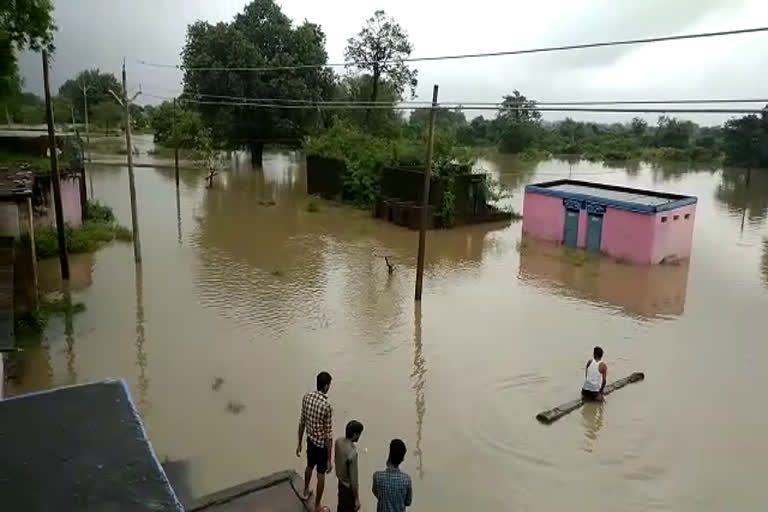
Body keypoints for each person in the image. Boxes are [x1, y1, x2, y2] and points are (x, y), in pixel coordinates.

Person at [297, 371, 334, 512]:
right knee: (321, 475)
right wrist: (329, 459)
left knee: (309, 466)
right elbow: (328, 435)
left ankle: (305, 492)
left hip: (310, 441)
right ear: (325, 386)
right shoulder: (327, 405)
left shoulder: (306, 397)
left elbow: (302, 423)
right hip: (321, 446)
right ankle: (317, 506)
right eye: (329, 385)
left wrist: (299, 443)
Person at [372, 439, 412, 512]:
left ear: (389, 455)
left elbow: (377, 493)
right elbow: (408, 502)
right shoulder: (407, 480)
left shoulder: (377, 477)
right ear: (402, 459)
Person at [335, 420, 364, 512]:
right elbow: (353, 481)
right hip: (348, 490)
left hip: (340, 483)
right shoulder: (352, 453)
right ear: (355, 435)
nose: (359, 436)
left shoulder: (338, 442)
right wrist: (356, 498)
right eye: (359, 434)